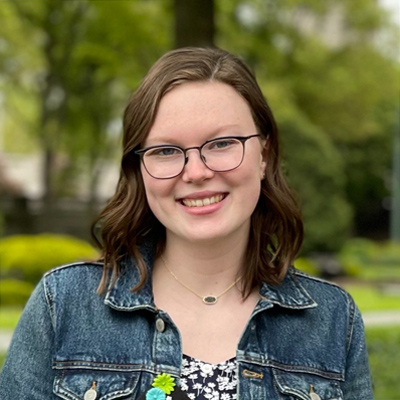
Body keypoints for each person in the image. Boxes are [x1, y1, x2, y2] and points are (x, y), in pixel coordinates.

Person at [0, 47, 373, 400]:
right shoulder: (62, 305)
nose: (196, 172)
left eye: (222, 143)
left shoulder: (332, 320)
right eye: (165, 150)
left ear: (265, 154)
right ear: (139, 170)